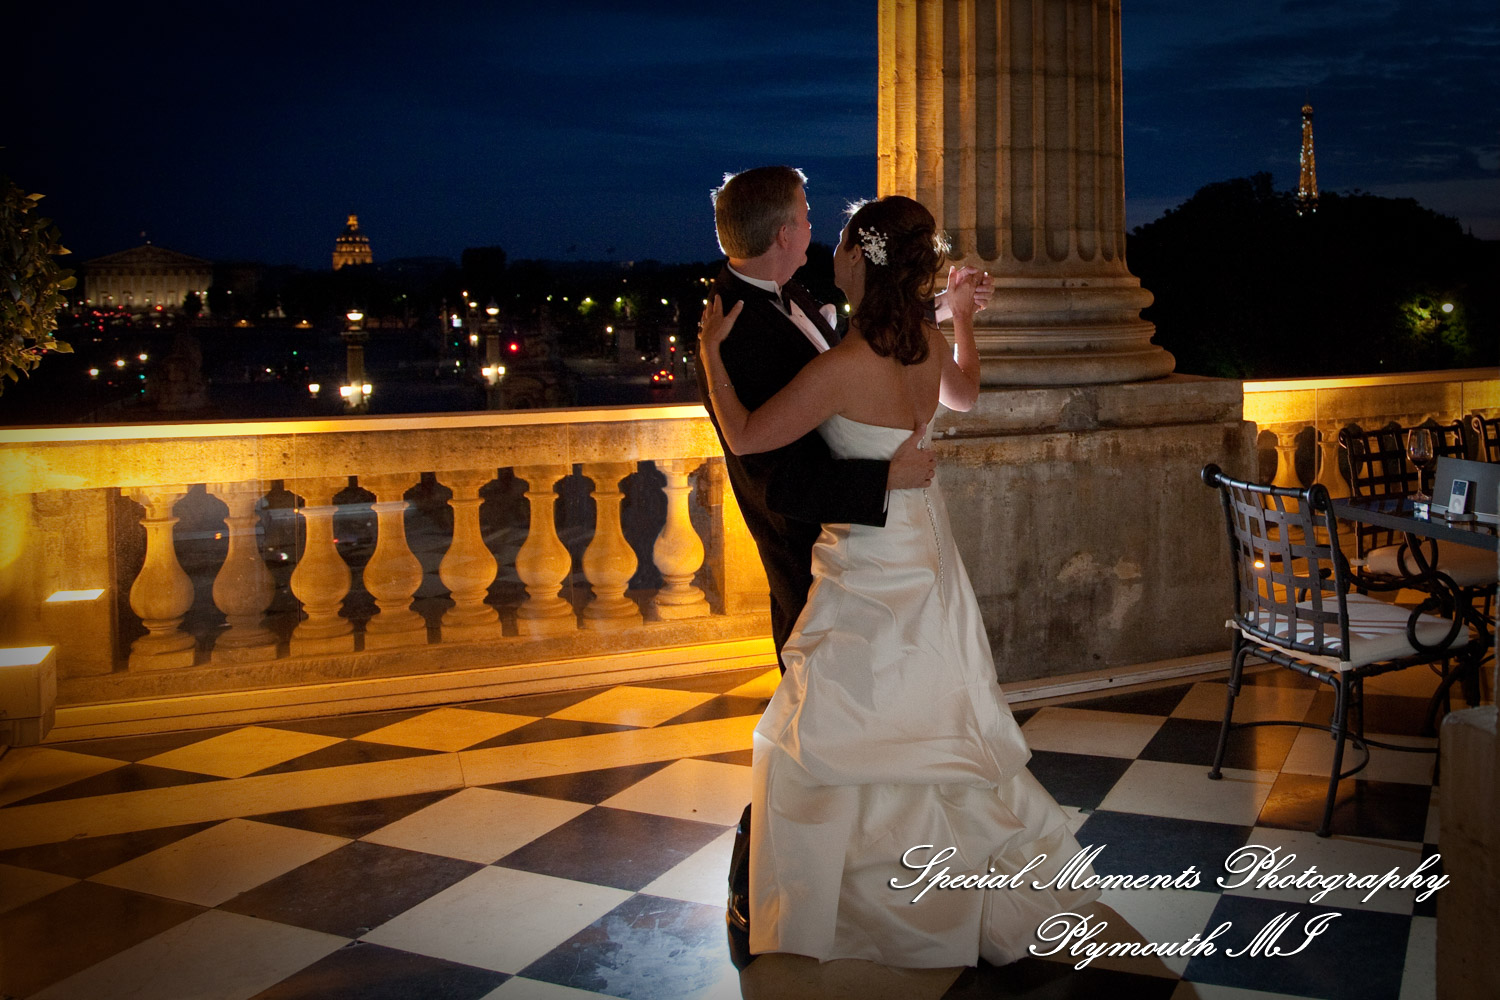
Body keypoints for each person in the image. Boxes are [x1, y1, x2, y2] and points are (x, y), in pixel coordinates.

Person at [699, 195, 1098, 977]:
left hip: (868, 563)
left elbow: (746, 436)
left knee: (838, 724)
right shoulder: (920, 343)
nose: (830, 251)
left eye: (841, 240)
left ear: (859, 258)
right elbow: (965, 395)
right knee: (934, 708)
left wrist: (712, 358)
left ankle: (870, 900)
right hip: (928, 549)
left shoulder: (843, 368)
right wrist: (960, 321)